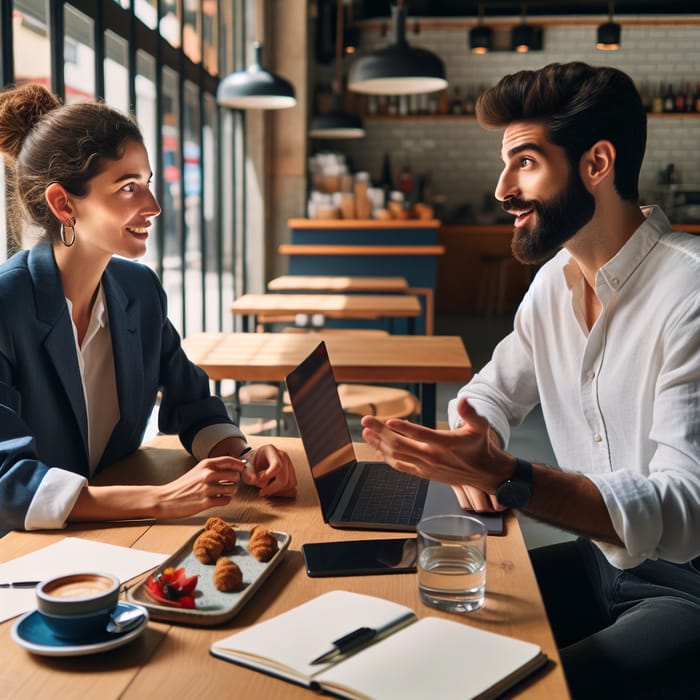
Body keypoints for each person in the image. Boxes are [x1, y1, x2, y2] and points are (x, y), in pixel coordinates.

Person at [361, 62, 700, 699]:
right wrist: (476, 438)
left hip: (688, 590)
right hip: (600, 562)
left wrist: (508, 477)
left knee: (508, 690)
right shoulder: (553, 282)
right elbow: (495, 388)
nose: (501, 188)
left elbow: (688, 510)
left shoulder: (691, 292)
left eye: (525, 162)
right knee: (422, 629)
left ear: (596, 163)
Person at [0, 83, 296, 532]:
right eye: (127, 187)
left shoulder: (140, 291)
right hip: (23, 554)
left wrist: (243, 456)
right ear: (63, 204)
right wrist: (160, 499)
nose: (153, 206)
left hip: (116, 538)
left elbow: (192, 404)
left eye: (148, 184)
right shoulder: (8, 305)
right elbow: (8, 481)